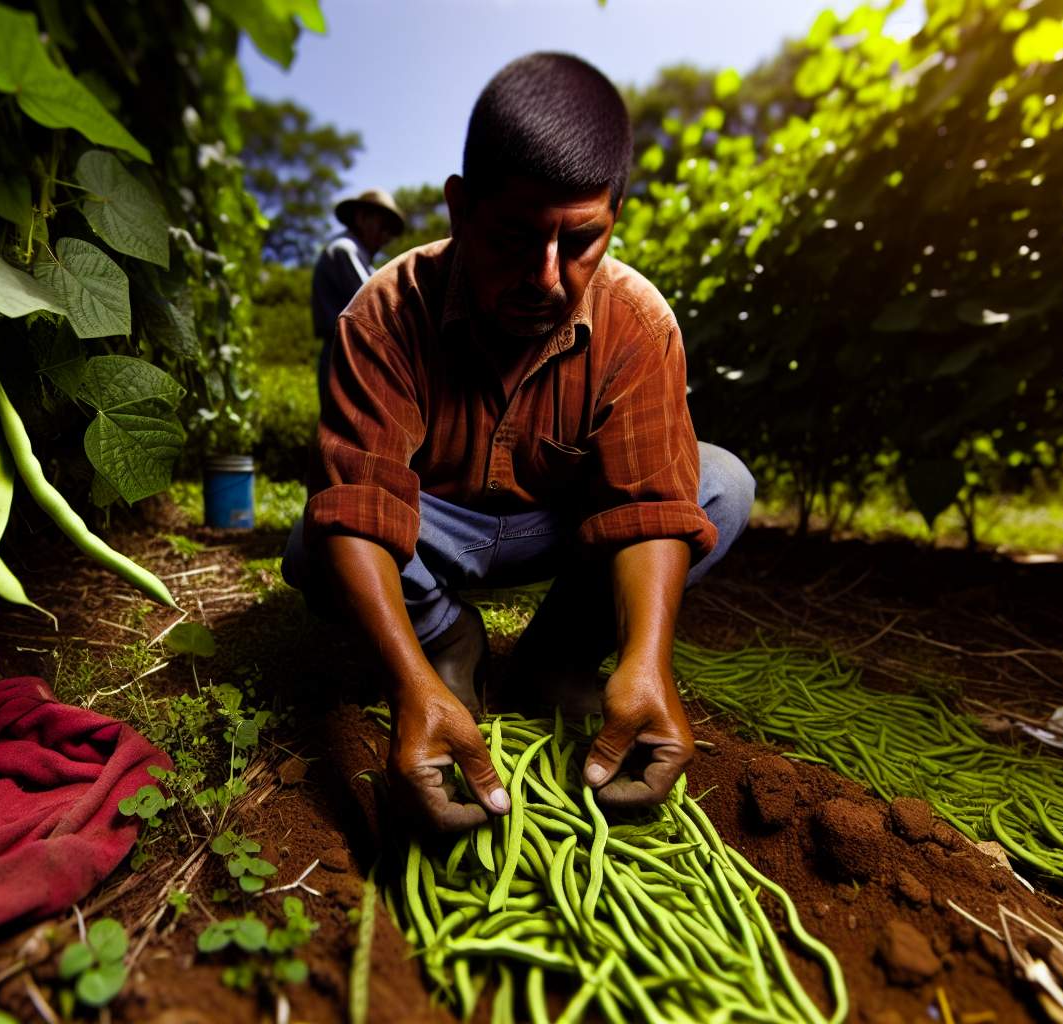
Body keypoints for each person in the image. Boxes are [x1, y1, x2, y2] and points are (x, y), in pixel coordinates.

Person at [281, 53, 755, 832]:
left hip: (563, 533)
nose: (546, 276)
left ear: (613, 221)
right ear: (461, 210)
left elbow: (649, 506)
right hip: (432, 530)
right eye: (512, 238)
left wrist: (649, 660)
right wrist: (409, 684)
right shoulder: (383, 312)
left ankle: (560, 656)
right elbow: (362, 505)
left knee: (720, 485)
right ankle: (445, 636)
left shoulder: (639, 322)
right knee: (317, 543)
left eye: (580, 242)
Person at [311, 188, 405, 384]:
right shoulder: (345, 250)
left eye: (391, 231)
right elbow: (375, 305)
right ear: (362, 218)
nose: (387, 236)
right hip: (344, 355)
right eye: (384, 226)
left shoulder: (363, 260)